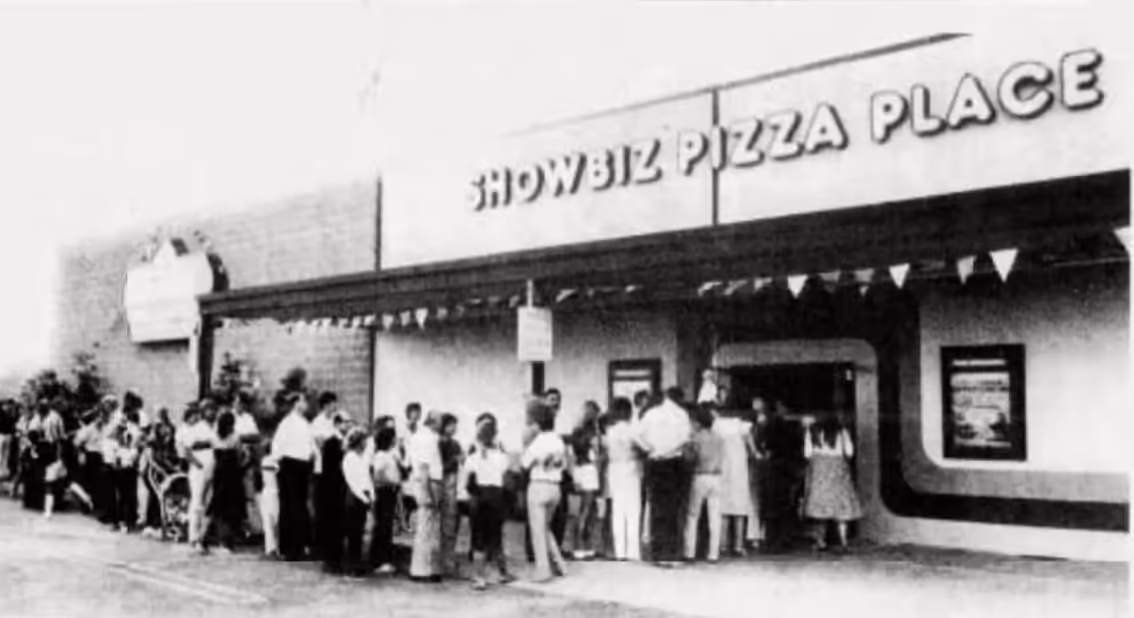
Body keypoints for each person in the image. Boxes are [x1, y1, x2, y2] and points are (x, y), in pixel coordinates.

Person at [635, 387, 692, 565]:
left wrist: (651, 449)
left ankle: (658, 553)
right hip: (674, 462)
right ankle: (673, 553)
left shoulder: (650, 414)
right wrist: (668, 450)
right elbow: (685, 438)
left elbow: (636, 435)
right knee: (674, 508)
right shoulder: (681, 414)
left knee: (657, 507)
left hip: (655, 462)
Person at [465, 413, 516, 591]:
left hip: (478, 498)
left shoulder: (473, 456)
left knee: (478, 539)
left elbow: (468, 481)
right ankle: (503, 573)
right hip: (496, 497)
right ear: (495, 435)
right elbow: (508, 480)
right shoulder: (502, 457)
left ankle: (479, 578)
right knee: (496, 538)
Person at [522, 401, 569, 583]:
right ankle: (559, 564)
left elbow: (524, 464)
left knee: (537, 530)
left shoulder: (538, 442)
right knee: (546, 528)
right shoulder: (558, 440)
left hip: (539, 485)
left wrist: (527, 443)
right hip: (555, 486)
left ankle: (543, 570)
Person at [801, 417, 863, 551]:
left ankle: (820, 541)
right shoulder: (842, 431)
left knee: (819, 507)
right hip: (838, 469)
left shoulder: (811, 431)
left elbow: (807, 454)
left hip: (819, 470)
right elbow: (849, 451)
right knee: (841, 506)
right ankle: (844, 541)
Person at [272, 391, 316, 562]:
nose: (306, 405)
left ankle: (300, 546)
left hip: (303, 467)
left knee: (300, 506)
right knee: (290, 506)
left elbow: (310, 445)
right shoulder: (287, 423)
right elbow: (277, 447)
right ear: (297, 403)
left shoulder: (305, 423)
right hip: (290, 466)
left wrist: (311, 455)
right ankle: (288, 548)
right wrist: (280, 464)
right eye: (304, 402)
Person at [716, 404, 762, 556]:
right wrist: (757, 454)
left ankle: (722, 544)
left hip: (723, 470)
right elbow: (753, 450)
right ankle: (738, 545)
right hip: (739, 471)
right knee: (740, 509)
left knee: (723, 510)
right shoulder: (742, 425)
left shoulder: (718, 424)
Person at [603, 397, 642, 561]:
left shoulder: (609, 432)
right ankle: (633, 551)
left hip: (614, 468)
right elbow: (644, 447)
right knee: (633, 510)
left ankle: (620, 552)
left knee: (618, 510)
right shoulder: (633, 430)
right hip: (630, 466)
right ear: (627, 412)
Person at [408, 410, 445, 582]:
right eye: (440, 421)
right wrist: (429, 492)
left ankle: (425, 568)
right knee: (426, 529)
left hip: (425, 482)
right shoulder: (427, 438)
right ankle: (422, 570)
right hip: (428, 483)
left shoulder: (419, 436)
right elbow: (424, 467)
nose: (441, 425)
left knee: (426, 528)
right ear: (432, 421)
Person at [684, 405, 724, 563]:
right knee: (715, 517)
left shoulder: (695, 438)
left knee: (693, 516)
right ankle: (714, 554)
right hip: (716, 477)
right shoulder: (719, 438)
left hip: (700, 476)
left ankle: (690, 552)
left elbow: (691, 458)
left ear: (699, 423)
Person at [179, 402, 217, 553]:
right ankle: (193, 537)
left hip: (212, 468)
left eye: (214, 409)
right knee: (197, 502)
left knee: (208, 502)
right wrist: (198, 464)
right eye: (209, 410)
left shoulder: (215, 428)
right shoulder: (196, 428)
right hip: (199, 470)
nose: (212, 412)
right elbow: (186, 451)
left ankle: (203, 536)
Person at [569, 401, 603, 560]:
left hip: (579, 469)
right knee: (588, 510)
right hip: (590, 471)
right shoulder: (593, 435)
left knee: (581, 510)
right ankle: (583, 545)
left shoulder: (576, 432)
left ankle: (579, 544)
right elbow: (596, 456)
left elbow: (573, 455)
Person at [311, 391, 343, 559]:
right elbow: (322, 443)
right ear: (325, 405)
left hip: (334, 471)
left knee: (333, 510)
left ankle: (330, 545)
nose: (335, 407)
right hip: (321, 470)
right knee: (322, 509)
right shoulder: (318, 422)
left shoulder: (335, 421)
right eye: (332, 404)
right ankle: (319, 547)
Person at [341, 427, 374, 578]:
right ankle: (351, 565)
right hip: (355, 497)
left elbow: (367, 477)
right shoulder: (349, 458)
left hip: (364, 496)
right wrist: (364, 497)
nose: (366, 444)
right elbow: (352, 481)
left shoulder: (363, 457)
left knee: (359, 532)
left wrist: (372, 495)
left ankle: (358, 563)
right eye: (363, 441)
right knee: (353, 533)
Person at [211, 411, 246, 553]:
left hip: (219, 472)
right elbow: (239, 455)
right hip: (232, 474)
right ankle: (229, 539)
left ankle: (221, 538)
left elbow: (215, 454)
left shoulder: (214, 437)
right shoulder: (235, 437)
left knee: (219, 505)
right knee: (232, 506)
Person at [369, 425, 402, 574]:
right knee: (382, 526)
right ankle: (378, 560)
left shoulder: (390, 454)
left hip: (390, 492)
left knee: (386, 526)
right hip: (384, 492)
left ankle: (383, 559)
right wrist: (391, 481)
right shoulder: (381, 455)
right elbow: (377, 475)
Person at [319, 412, 348, 574]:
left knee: (338, 526)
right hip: (332, 490)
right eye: (345, 422)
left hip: (339, 489)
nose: (347, 426)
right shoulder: (332, 442)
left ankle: (336, 559)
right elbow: (332, 469)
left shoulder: (342, 442)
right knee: (332, 525)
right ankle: (331, 561)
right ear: (337, 424)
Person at [234, 391, 263, 541]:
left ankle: (254, 529)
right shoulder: (229, 417)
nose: (238, 405)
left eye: (241, 403)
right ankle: (236, 529)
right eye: (236, 402)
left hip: (247, 461)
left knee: (249, 495)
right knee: (234, 496)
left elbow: (256, 436)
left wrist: (240, 438)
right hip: (232, 461)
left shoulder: (248, 418)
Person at [437, 413, 463, 578]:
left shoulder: (455, 443)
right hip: (445, 483)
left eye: (455, 425)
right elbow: (439, 467)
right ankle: (445, 561)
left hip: (455, 482)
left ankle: (448, 558)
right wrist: (454, 461)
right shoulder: (439, 443)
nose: (453, 428)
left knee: (452, 522)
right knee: (447, 522)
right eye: (450, 425)